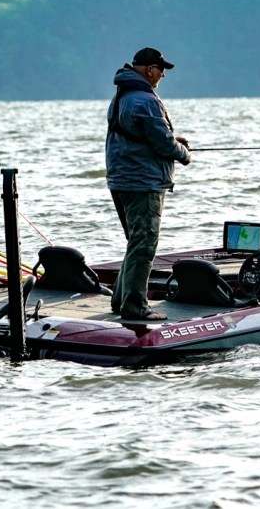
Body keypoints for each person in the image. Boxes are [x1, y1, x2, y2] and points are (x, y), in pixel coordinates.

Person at [106, 46, 192, 321]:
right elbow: (164, 143)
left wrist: (171, 141)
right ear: (149, 70)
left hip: (121, 180)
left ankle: (120, 300)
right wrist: (184, 154)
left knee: (135, 242)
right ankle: (135, 306)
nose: (163, 76)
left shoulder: (123, 96)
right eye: (161, 70)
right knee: (144, 245)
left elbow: (143, 135)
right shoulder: (145, 100)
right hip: (143, 183)